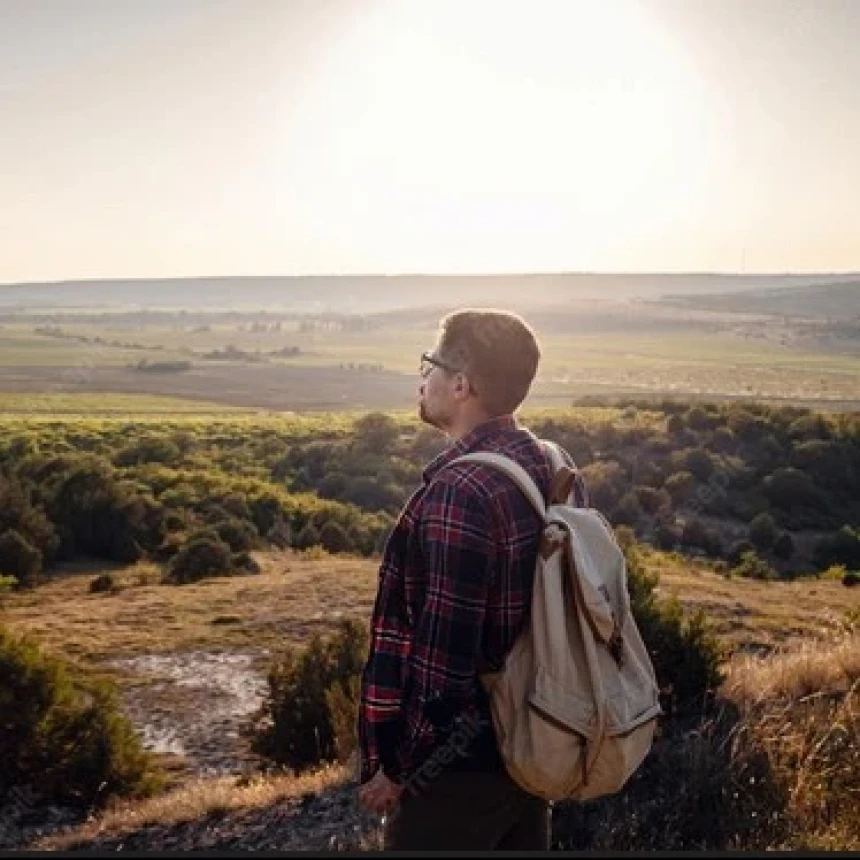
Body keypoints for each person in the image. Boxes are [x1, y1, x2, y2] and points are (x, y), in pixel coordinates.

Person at [356, 308, 587, 850]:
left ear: (461, 385)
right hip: (534, 747)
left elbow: (443, 668)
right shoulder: (554, 465)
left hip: (459, 774)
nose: (423, 377)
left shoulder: (460, 493)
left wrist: (397, 765)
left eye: (430, 364)